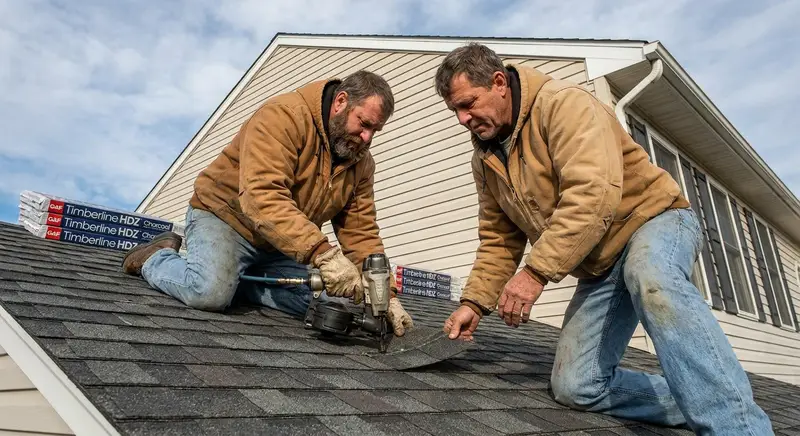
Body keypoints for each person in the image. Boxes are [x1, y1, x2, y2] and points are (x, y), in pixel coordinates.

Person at [436, 43, 772, 435]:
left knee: (653, 280)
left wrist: (535, 273)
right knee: (576, 386)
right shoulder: (486, 159)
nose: (462, 120)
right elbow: (498, 238)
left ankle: (738, 424)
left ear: (498, 83)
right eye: (455, 111)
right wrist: (474, 303)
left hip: (654, 221)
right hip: (602, 262)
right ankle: (711, 396)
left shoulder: (564, 106)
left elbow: (592, 197)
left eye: (468, 104)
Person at [121, 70, 414, 337]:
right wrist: (324, 255)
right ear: (340, 102)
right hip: (226, 219)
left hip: (281, 244)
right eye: (364, 124)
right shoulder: (283, 116)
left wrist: (385, 295)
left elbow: (360, 230)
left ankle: (239, 279)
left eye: (375, 131)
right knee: (209, 293)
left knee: (329, 300)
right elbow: (262, 197)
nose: (367, 138)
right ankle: (154, 257)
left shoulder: (361, 163)